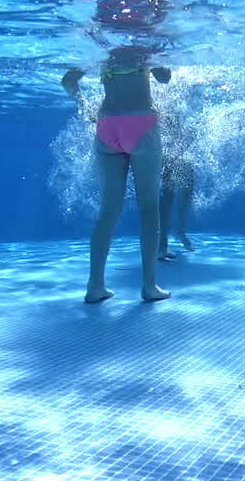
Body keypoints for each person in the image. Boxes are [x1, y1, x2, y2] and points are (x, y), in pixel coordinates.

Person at [63, 46, 173, 303]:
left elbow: (68, 81)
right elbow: (165, 78)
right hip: (141, 122)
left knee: (108, 211)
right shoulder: (144, 45)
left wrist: (86, 107)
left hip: (106, 126)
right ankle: (149, 286)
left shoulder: (101, 48)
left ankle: (95, 286)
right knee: (149, 208)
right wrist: (156, 60)